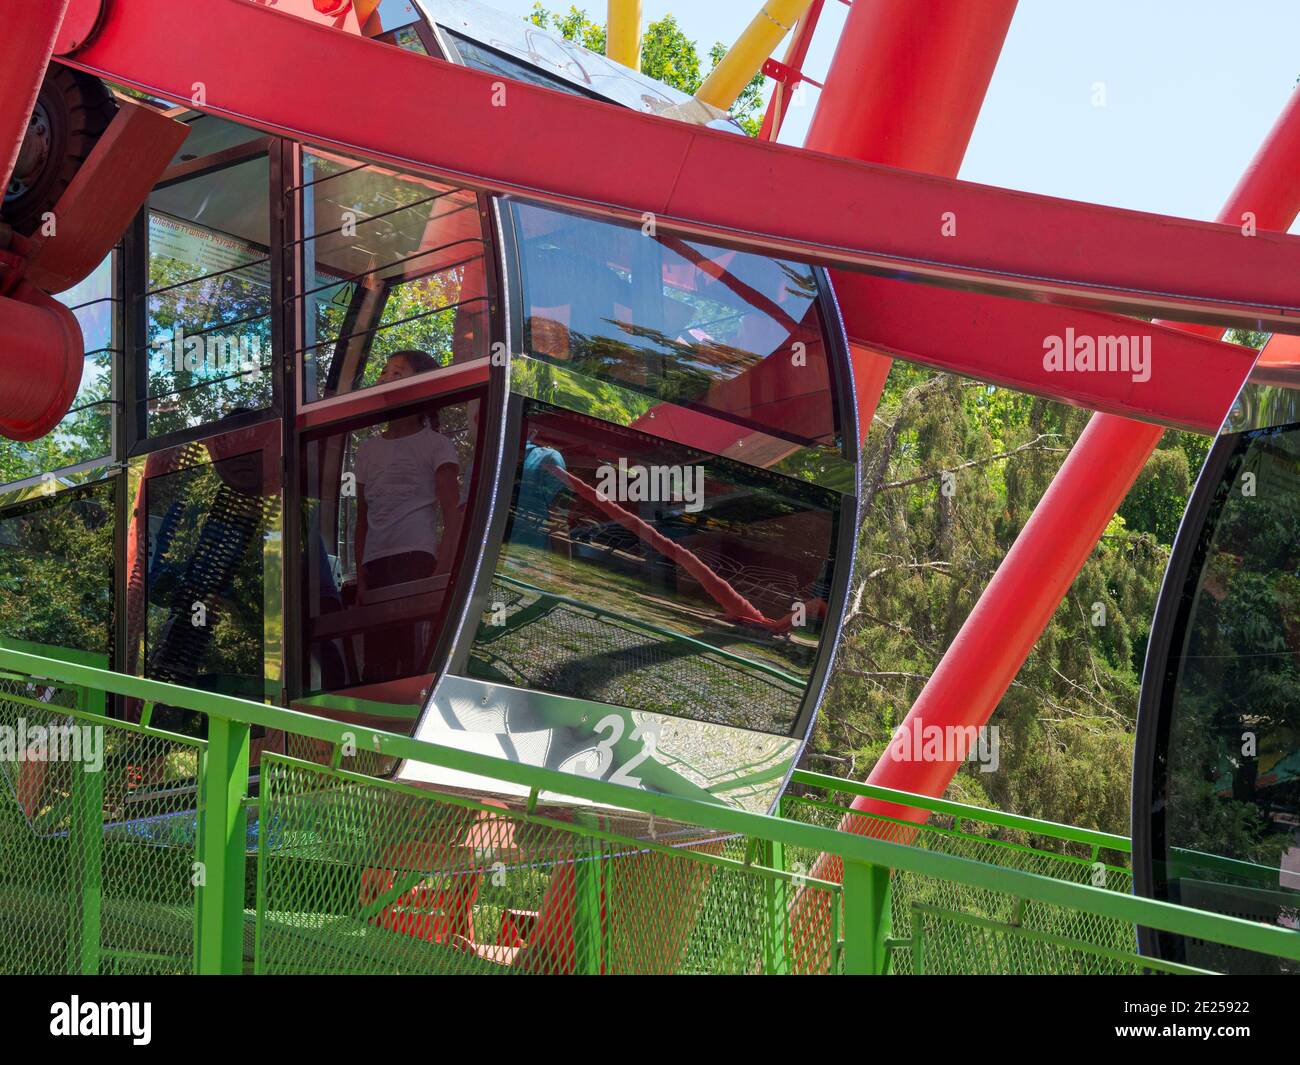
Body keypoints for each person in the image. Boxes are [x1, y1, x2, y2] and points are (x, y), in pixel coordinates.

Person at [353, 350, 462, 681]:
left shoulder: (436, 445)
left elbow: (452, 514)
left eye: (397, 373)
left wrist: (441, 572)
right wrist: (360, 574)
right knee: (377, 661)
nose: (384, 378)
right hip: (375, 563)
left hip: (416, 559)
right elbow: (362, 518)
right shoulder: (367, 450)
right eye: (383, 372)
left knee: (410, 654)